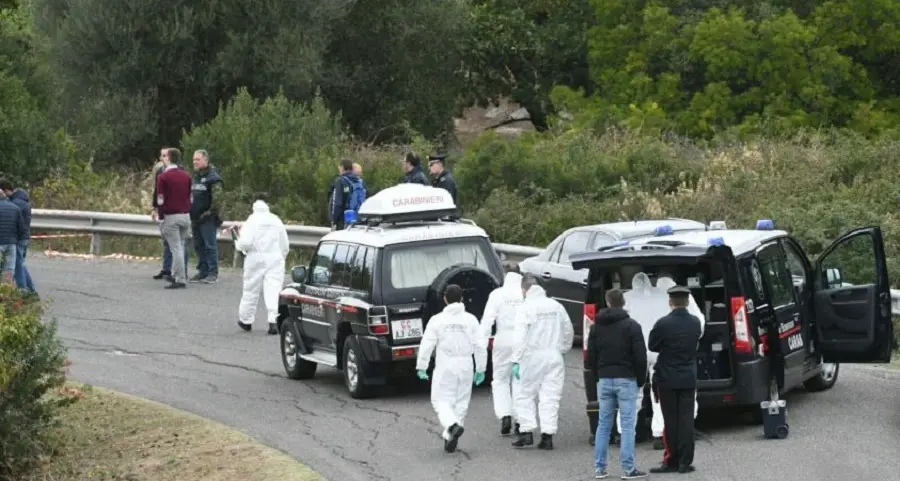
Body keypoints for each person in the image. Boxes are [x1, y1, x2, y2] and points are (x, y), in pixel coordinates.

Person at [415, 284, 488, 453]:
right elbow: (479, 345)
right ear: (462, 298)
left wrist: (422, 366)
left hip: (446, 365)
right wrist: (481, 368)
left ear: (445, 299)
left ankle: (451, 425)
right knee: (461, 402)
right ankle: (451, 435)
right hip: (466, 365)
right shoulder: (471, 320)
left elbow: (427, 344)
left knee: (440, 401)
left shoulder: (437, 320)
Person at [587, 288, 649, 479]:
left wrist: (599, 375)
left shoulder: (596, 327)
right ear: (623, 303)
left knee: (603, 424)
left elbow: (591, 356)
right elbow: (640, 357)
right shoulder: (632, 326)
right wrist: (640, 379)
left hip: (605, 379)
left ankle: (600, 468)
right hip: (626, 379)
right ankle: (628, 468)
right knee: (628, 424)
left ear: (607, 302)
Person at [510, 274, 574, 450]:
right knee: (550, 396)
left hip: (531, 356)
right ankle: (547, 436)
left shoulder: (525, 308)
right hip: (554, 355)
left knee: (524, 393)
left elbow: (519, 337)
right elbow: (568, 330)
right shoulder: (556, 306)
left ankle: (526, 432)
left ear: (524, 290)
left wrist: (516, 359)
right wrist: (562, 349)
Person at [648, 285, 703, 474]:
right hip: (688, 377)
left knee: (670, 421)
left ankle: (671, 459)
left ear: (670, 302)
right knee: (686, 420)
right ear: (687, 302)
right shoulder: (695, 323)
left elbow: (653, 345)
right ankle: (685, 462)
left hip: (667, 378)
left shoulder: (663, 323)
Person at [480, 262, 524, 436]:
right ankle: (521, 419)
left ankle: (505, 414)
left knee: (500, 380)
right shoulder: (525, 293)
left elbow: (487, 320)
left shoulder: (497, 294)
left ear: (505, 276)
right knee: (520, 380)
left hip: (503, 339)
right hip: (522, 340)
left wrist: (481, 344)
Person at [235, 194, 290, 335]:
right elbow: (284, 243)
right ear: (267, 204)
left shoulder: (251, 220)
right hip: (275, 258)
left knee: (250, 289)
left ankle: (246, 321)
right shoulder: (275, 219)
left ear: (254, 204)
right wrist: (281, 256)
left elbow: (245, 242)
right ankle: (273, 321)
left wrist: (239, 245)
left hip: (255, 257)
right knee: (274, 289)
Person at [156, 150, 194, 289]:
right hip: (185, 215)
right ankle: (177, 274)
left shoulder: (164, 177)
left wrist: (160, 217)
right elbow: (190, 197)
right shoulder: (186, 176)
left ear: (169, 158)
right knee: (181, 246)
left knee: (175, 248)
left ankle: (180, 278)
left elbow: (160, 199)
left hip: (171, 216)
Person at [189, 149, 224, 284]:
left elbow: (217, 201)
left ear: (206, 160)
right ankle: (202, 271)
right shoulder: (195, 177)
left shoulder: (213, 178)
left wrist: (207, 214)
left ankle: (212, 273)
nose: (195, 162)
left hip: (208, 218)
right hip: (195, 217)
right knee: (198, 246)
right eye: (194, 160)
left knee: (210, 245)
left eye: (197, 159)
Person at [0, 179, 35, 293]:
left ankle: (24, 290)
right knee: (17, 266)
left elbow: (14, 223)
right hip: (20, 238)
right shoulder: (21, 201)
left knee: (17, 267)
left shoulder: (15, 203)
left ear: (5, 190)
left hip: (16, 239)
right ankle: (28, 290)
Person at [329, 159, 366, 231]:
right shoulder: (359, 181)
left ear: (342, 167)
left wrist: (333, 220)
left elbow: (337, 204)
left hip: (342, 221)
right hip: (357, 219)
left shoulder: (340, 181)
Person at [0, 190, 25, 285]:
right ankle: (6, 292)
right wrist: (15, 238)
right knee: (9, 270)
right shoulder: (15, 208)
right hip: (11, 244)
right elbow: (22, 228)